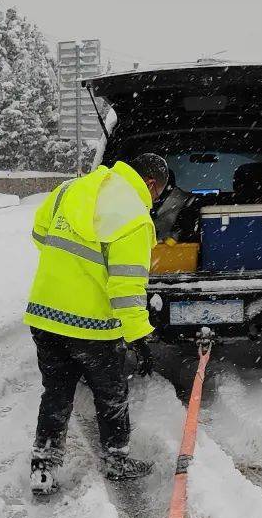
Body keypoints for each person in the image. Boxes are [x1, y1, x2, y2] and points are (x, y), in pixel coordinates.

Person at [24, 153, 170, 494]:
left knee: (57, 392)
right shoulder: (133, 217)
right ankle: (116, 461)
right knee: (111, 394)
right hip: (90, 326)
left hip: (45, 315)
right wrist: (139, 337)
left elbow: (39, 234)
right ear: (149, 184)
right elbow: (126, 286)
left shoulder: (70, 189)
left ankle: (43, 469)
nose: (155, 201)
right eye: (158, 194)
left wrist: (69, 268)